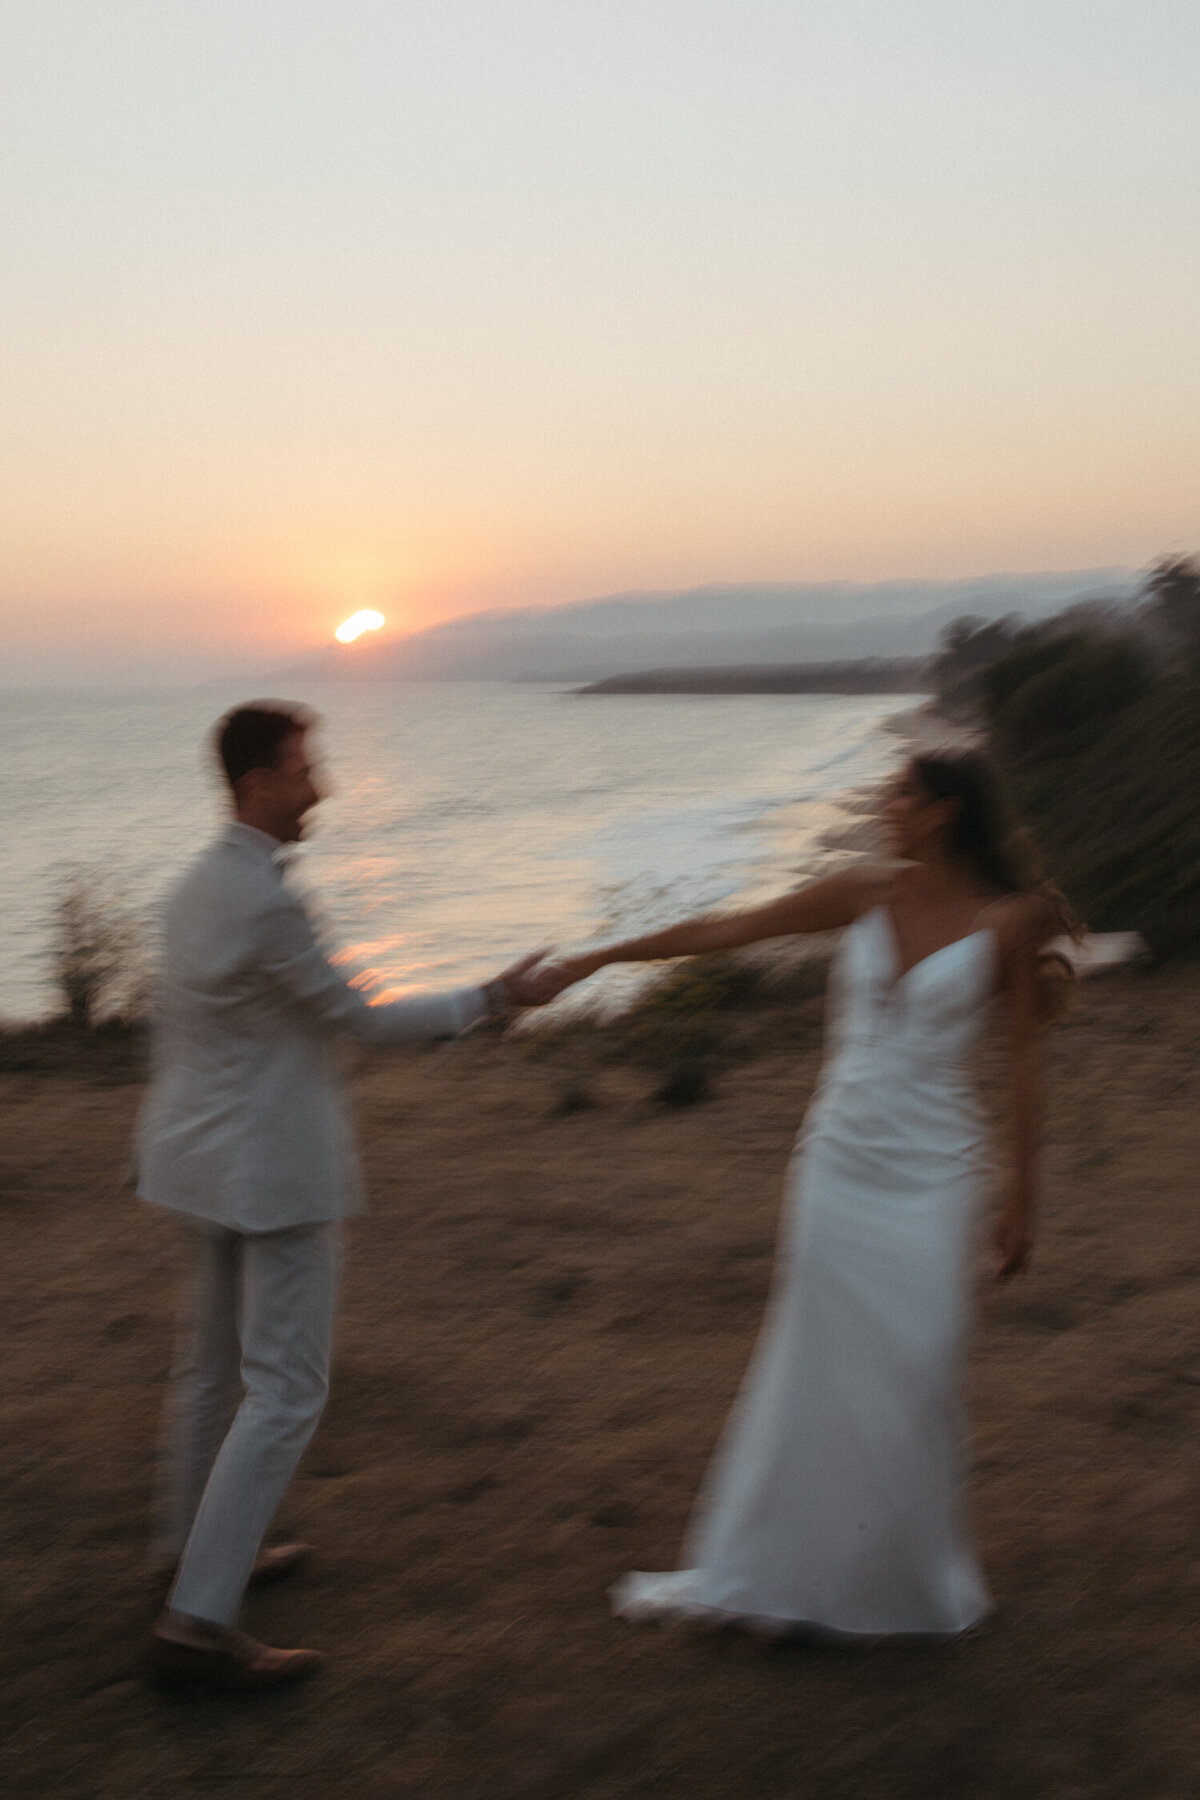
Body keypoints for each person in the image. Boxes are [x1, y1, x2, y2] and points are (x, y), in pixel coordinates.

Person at [532, 751, 1067, 1640]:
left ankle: (894, 1580)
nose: (884, 802)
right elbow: (730, 929)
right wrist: (601, 956)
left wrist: (1023, 1204)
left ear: (939, 813)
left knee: (913, 1368)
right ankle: (796, 1579)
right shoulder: (861, 892)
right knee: (816, 1361)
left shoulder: (1012, 920)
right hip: (839, 1161)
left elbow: (1023, 1067)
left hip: (937, 1168)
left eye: (900, 791)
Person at [139, 701, 550, 1689]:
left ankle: (187, 1558)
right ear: (256, 785)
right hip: (268, 1172)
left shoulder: (193, 886)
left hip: (196, 1162)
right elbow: (360, 1020)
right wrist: (493, 998)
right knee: (284, 1390)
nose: (320, 785)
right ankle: (197, 1622)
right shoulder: (267, 904)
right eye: (302, 768)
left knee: (208, 1378)